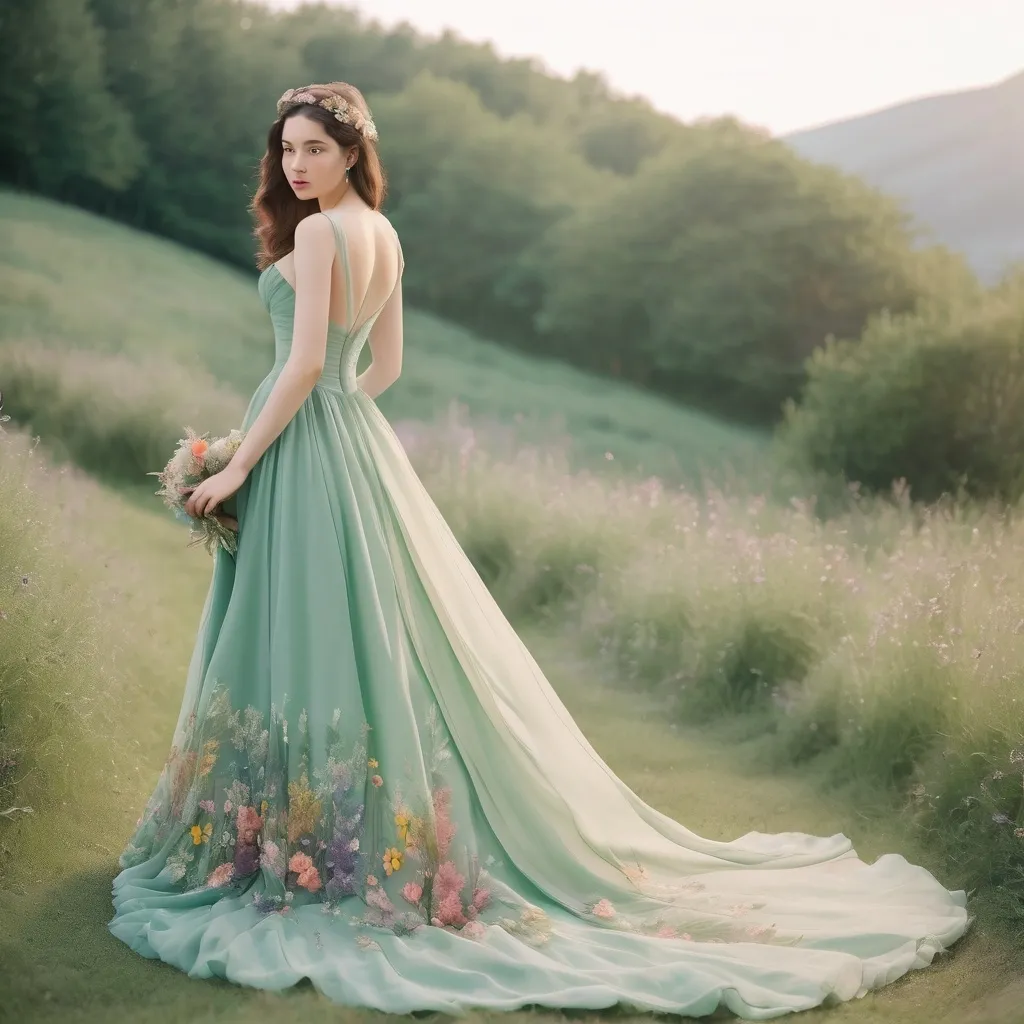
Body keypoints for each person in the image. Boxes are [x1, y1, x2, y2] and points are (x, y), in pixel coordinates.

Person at [107, 81, 970, 1018]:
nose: (296, 165)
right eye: (287, 151)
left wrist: (239, 465)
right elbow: (379, 369)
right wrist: (331, 430)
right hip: (352, 446)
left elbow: (308, 362)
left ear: (353, 153)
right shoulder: (385, 236)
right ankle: (337, 832)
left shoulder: (318, 235)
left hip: (304, 443)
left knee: (308, 631)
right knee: (362, 632)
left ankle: (291, 843)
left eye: (315, 148)